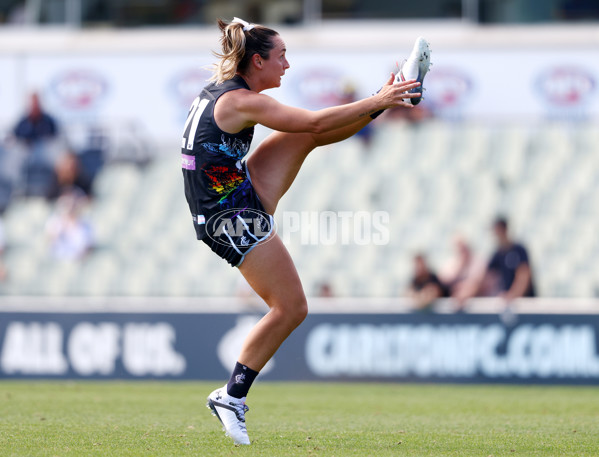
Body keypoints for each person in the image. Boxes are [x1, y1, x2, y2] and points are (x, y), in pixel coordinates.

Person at [181, 17, 427, 445]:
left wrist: (380, 101)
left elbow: (312, 131)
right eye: (281, 57)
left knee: (306, 139)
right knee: (291, 307)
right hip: (230, 216)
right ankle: (231, 397)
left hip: (235, 193)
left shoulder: (231, 93)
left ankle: (391, 98)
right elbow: (314, 121)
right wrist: (380, 97)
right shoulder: (241, 102)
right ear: (257, 61)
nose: (288, 65)